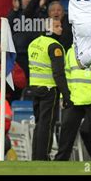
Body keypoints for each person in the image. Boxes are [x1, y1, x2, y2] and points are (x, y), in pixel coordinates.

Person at [27, 18, 70, 160]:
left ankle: (36, 156)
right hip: (49, 89)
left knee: (39, 124)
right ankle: (43, 157)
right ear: (49, 29)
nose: (61, 29)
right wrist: (66, 94)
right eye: (57, 26)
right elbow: (58, 73)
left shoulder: (33, 43)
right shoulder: (54, 46)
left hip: (34, 87)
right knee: (47, 125)